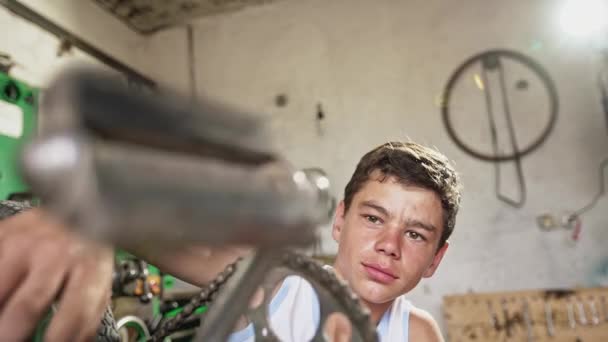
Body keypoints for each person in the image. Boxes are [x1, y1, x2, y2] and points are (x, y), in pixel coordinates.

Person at [0, 141, 462, 341]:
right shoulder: (273, 284)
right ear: (340, 220)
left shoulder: (417, 333)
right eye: (374, 218)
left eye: (415, 233)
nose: (389, 244)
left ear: (436, 259)